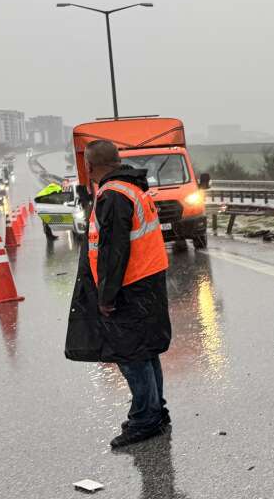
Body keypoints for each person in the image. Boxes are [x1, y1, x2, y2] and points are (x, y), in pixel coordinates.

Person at [79, 140, 173, 448]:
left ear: (91, 166)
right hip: (147, 280)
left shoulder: (113, 195)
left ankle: (146, 419)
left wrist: (106, 296)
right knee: (145, 350)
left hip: (130, 286)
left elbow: (113, 251)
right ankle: (155, 412)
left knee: (131, 354)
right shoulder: (132, 188)